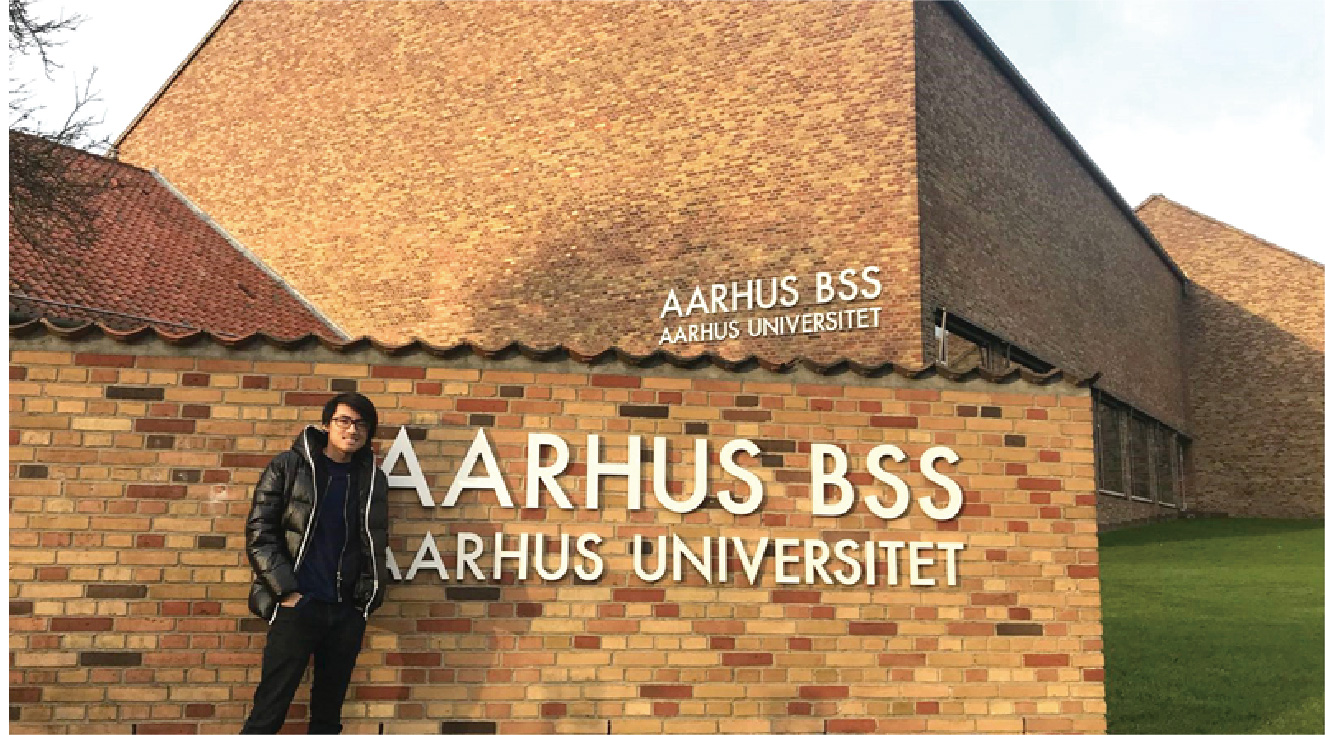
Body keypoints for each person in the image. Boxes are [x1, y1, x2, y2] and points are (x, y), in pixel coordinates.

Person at [241, 392, 390, 734]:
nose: (352, 430)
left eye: (361, 424)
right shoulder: (289, 466)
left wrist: (364, 603)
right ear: (326, 424)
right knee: (268, 714)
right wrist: (286, 592)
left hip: (346, 612)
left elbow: (374, 542)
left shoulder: (372, 480)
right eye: (344, 421)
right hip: (297, 606)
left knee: (327, 720)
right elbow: (260, 533)